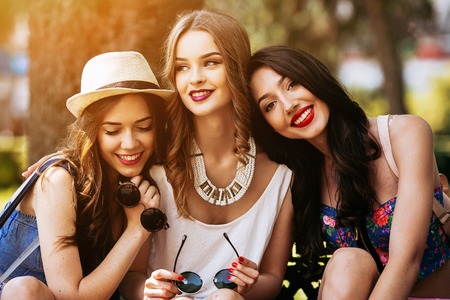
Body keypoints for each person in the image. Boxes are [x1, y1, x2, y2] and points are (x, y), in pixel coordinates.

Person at [247, 45, 450, 299]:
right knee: (347, 263)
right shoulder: (299, 180)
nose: (288, 105)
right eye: (270, 105)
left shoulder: (405, 134)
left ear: (315, 78)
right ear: (270, 128)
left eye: (292, 84)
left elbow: (405, 262)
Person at [137, 10, 294, 300]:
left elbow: (272, 279)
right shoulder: (156, 163)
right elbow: (133, 277)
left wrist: (250, 284)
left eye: (210, 63)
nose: (194, 79)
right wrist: (147, 291)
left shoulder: (279, 177)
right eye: (182, 67)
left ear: (236, 68)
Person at [0, 51, 173, 299]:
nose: (130, 143)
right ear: (93, 133)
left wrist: (151, 291)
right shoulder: (60, 181)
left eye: (144, 127)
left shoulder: (140, 185)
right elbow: (71, 295)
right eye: (113, 131)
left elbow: (130, 278)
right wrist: (136, 230)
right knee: (24, 290)